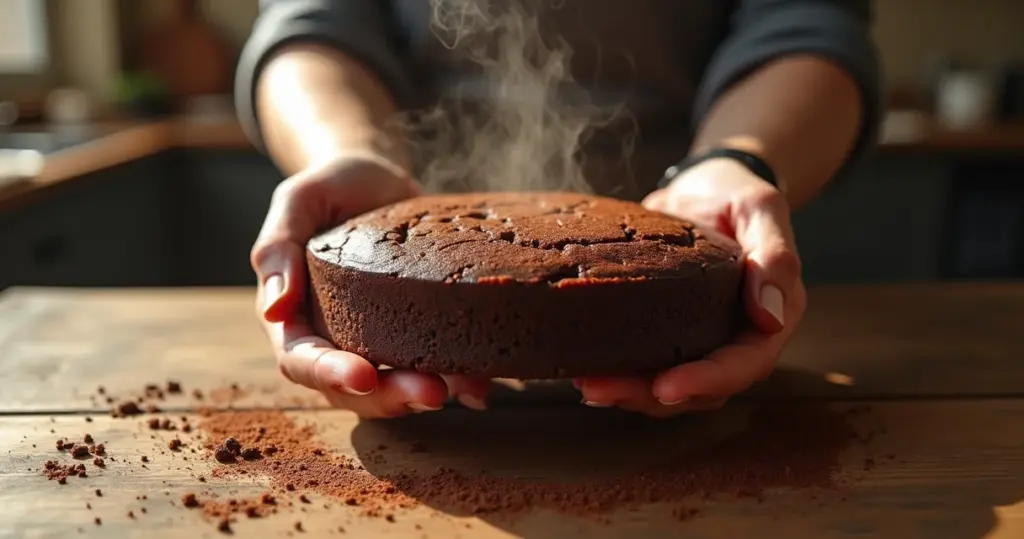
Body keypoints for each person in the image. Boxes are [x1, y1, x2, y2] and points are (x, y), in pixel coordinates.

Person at [237, 0, 881, 418]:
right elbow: (313, 20)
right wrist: (350, 156)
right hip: (400, 211)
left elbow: (807, 22)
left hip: (689, 215)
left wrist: (736, 163)